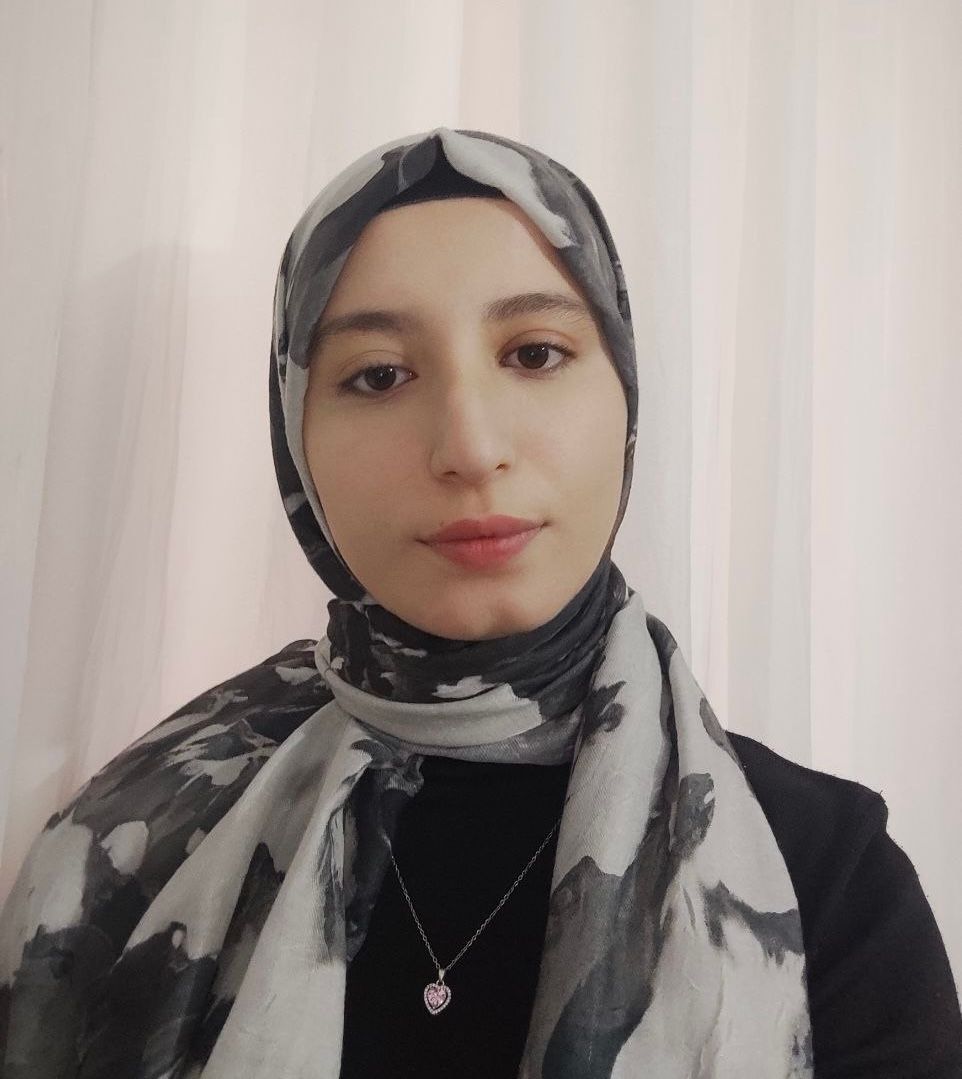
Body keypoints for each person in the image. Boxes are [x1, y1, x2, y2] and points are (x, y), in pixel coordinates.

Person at [0, 127, 959, 1079]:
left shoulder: (824, 877)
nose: (468, 446)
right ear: (296, 437)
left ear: (626, 398)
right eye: (379, 374)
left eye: (535, 353)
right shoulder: (129, 850)